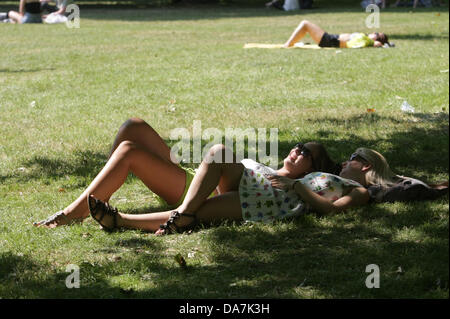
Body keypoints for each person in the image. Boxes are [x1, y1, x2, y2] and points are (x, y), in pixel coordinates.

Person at [34, 118, 337, 228]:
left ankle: (72, 213)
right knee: (133, 126)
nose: (297, 151)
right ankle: (104, 183)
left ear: (313, 168)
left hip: (196, 192)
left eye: (306, 153)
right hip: (194, 176)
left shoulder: (286, 189)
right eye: (299, 146)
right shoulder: (268, 169)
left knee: (129, 151)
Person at [86, 146, 405, 235]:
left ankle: (121, 221)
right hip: (258, 185)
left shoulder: (357, 191)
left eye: (356, 158)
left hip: (270, 201)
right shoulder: (323, 174)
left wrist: (296, 186)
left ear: (366, 166)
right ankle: (182, 215)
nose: (349, 160)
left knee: (197, 214)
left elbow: (331, 211)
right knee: (219, 150)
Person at [283, 20, 390, 48]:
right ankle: (291, 43)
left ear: (377, 39)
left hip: (330, 40)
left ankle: (288, 44)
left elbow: (377, 45)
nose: (373, 32)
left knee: (305, 24)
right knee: (305, 26)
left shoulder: (368, 42)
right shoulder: (366, 39)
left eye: (376, 34)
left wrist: (376, 43)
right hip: (330, 39)